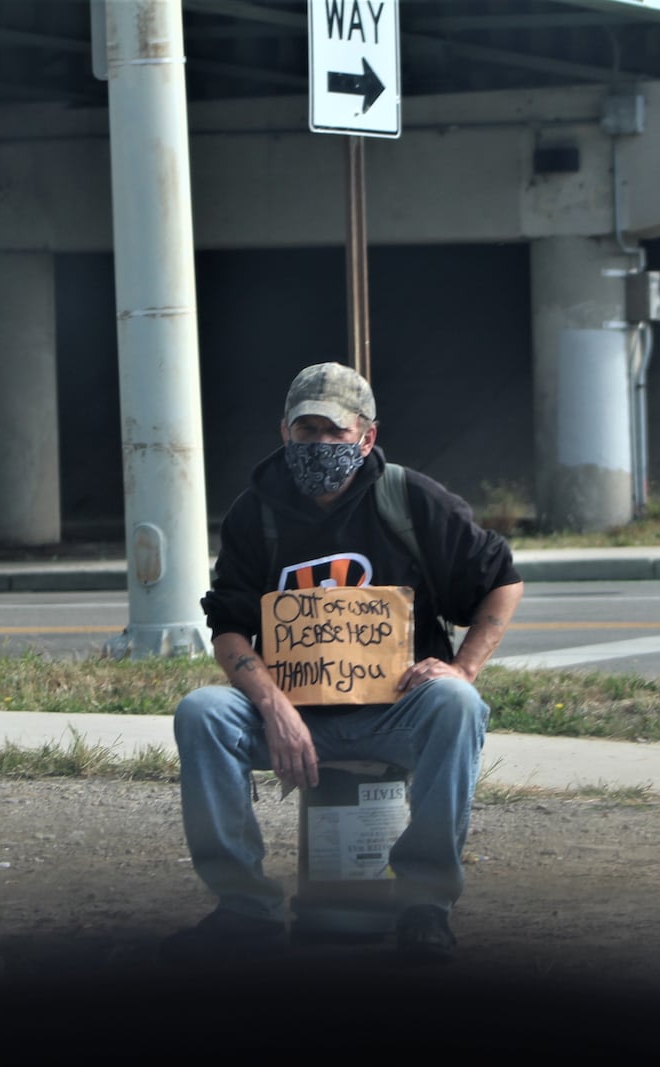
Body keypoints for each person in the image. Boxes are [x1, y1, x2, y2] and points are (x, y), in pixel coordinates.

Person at [162, 361, 524, 964]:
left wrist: (463, 668)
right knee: (202, 712)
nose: (321, 444)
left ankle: (424, 906)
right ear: (285, 433)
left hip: (394, 713)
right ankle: (243, 909)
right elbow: (227, 631)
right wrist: (273, 707)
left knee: (458, 704)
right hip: (293, 716)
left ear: (366, 437)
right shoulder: (256, 512)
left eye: (336, 432)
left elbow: (503, 582)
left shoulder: (408, 498)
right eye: (307, 431)